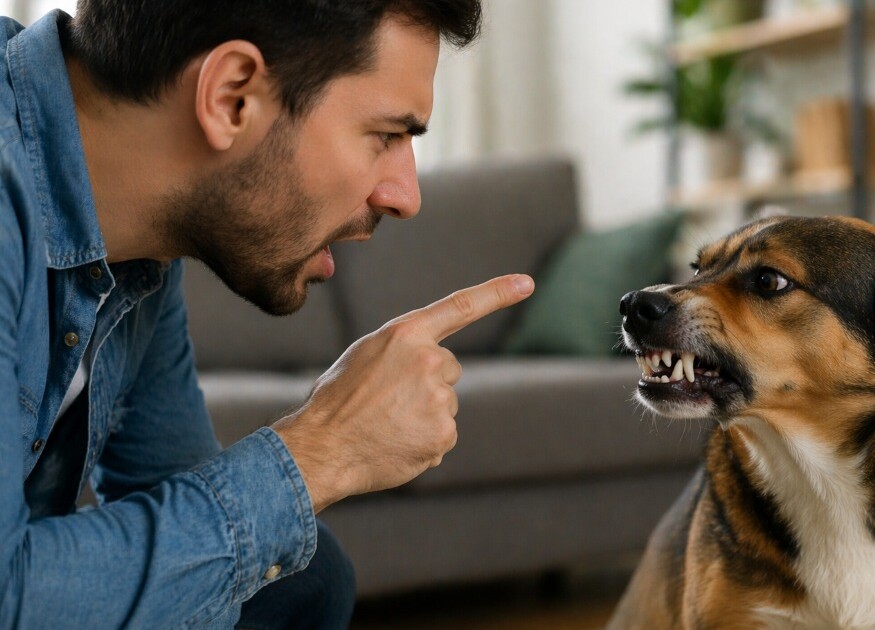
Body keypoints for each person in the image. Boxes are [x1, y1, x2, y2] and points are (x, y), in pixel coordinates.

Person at [0, 1, 535, 627]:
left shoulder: (144, 244)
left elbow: (179, 511)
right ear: (231, 97)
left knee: (299, 582)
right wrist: (323, 449)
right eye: (387, 134)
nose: (405, 197)